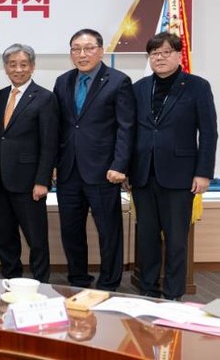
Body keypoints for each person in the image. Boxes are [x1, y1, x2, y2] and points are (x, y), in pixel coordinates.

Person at [129, 32, 218, 300]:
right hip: (143, 174)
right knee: (147, 237)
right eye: (154, 53)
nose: (160, 58)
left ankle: (173, 294)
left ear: (179, 55)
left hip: (180, 176)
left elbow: (209, 132)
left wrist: (203, 173)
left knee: (176, 239)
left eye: (166, 52)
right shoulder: (139, 87)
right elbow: (130, 131)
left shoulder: (197, 86)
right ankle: (148, 289)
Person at [53, 28, 135, 291]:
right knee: (71, 229)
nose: (82, 54)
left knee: (108, 230)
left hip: (104, 170)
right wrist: (54, 163)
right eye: (76, 49)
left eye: (88, 48)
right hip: (68, 169)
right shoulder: (62, 81)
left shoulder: (118, 81)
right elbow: (59, 126)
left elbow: (126, 127)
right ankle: (78, 278)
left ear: (101, 51)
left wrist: (120, 165)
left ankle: (109, 281)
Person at [0, 43, 58, 283]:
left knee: (36, 239)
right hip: (2, 180)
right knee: (5, 237)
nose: (18, 69)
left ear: (32, 67)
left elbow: (49, 143)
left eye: (23, 64)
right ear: (5, 68)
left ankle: (41, 282)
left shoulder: (45, 98)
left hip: (30, 182)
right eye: (12, 64)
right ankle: (11, 280)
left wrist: (42, 180)